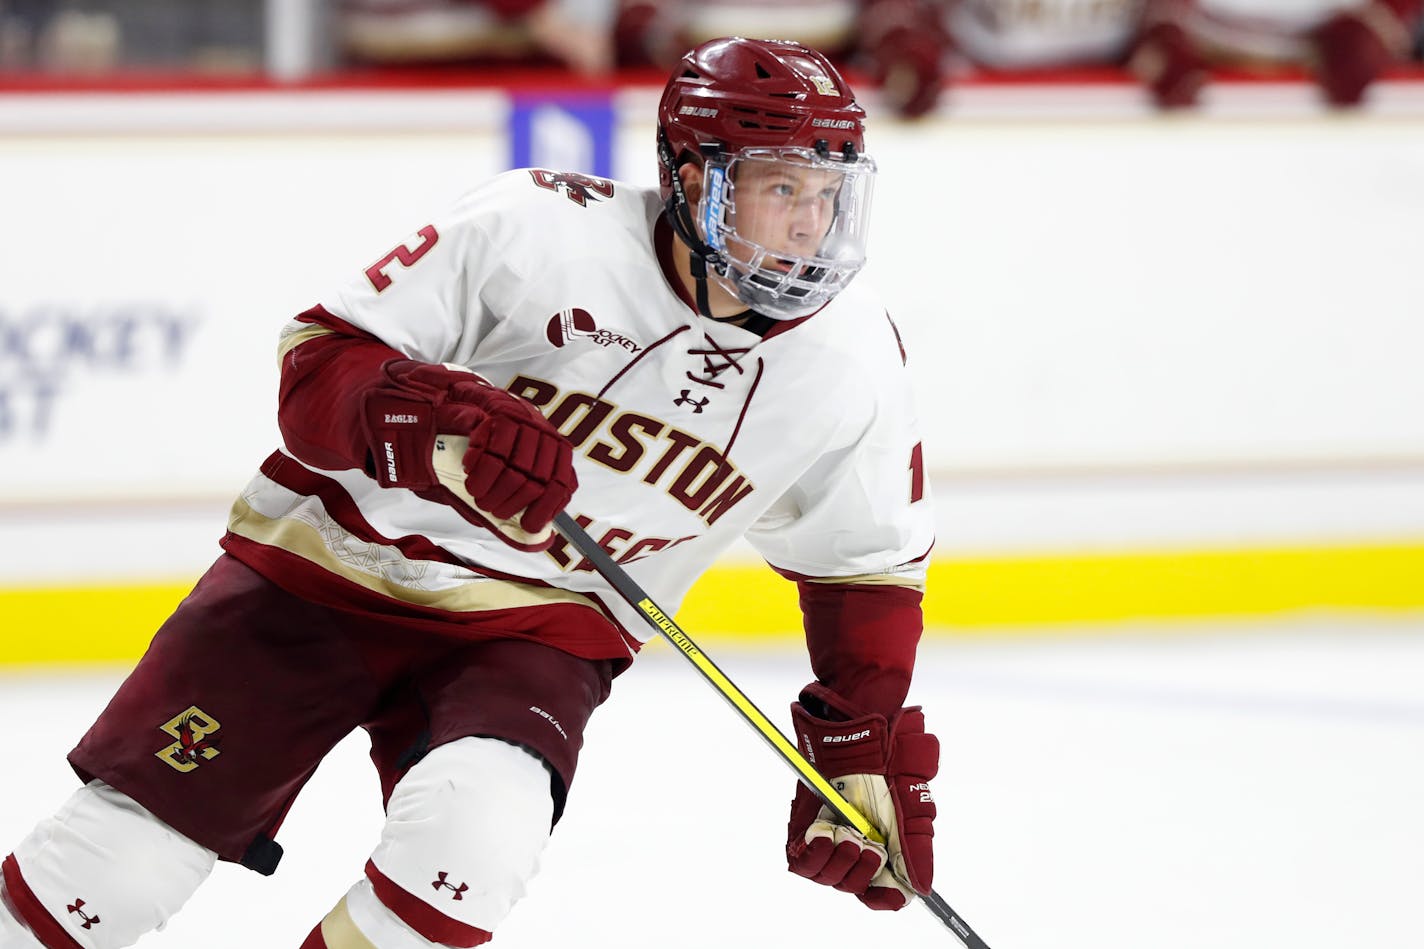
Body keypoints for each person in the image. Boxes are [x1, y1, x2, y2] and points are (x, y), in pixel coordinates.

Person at [0, 36, 939, 949]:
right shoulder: (534, 226)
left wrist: (860, 739)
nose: (811, 224)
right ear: (694, 177)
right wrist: (435, 422)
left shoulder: (852, 362)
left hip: (540, 629)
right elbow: (317, 368)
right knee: (112, 872)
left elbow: (866, 565)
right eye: (781, 187)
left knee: (473, 846)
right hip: (325, 568)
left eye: (828, 192)